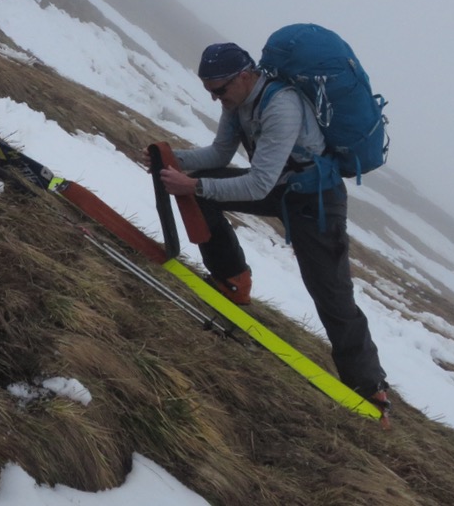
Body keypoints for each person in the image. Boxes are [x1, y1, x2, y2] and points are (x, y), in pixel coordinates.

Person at [145, 42, 390, 411]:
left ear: (245, 76)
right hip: (280, 186)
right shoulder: (237, 101)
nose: (216, 99)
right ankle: (233, 280)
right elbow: (219, 155)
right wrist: (169, 159)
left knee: (331, 293)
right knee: (203, 189)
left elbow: (257, 184)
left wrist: (192, 184)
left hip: (315, 201)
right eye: (209, 91)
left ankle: (369, 388)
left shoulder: (282, 106)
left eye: (220, 89)